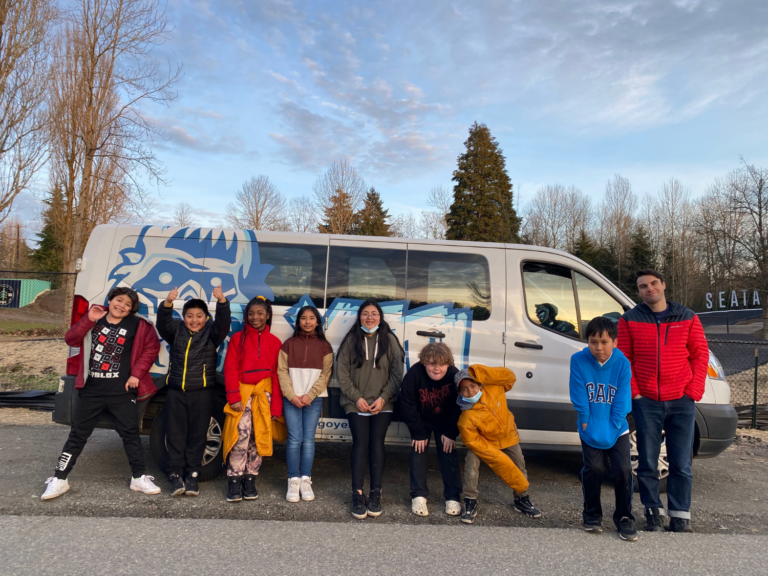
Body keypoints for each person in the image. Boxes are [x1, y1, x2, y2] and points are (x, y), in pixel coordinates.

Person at [41, 287, 161, 500]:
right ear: (110, 300)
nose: (122, 306)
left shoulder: (139, 325)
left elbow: (151, 348)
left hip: (122, 391)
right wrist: (88, 319)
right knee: (78, 435)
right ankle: (59, 479)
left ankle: (138, 477)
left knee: (130, 434)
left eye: (128, 304)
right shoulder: (95, 318)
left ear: (131, 310)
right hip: (92, 390)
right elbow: (71, 339)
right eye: (119, 300)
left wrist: (136, 374)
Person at [618, 269, 709, 533]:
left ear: (663, 285)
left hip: (682, 400)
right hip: (646, 401)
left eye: (654, 283)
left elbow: (700, 355)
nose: (650, 289)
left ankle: (680, 516)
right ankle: (653, 514)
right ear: (639, 291)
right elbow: (625, 361)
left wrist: (693, 391)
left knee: (681, 463)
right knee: (647, 461)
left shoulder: (688, 317)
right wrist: (636, 393)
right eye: (643, 286)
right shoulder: (629, 320)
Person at [156, 285, 231, 497]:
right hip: (176, 392)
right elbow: (163, 324)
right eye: (190, 316)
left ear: (206, 318)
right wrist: (167, 303)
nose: (194, 320)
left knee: (198, 436)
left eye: (199, 316)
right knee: (175, 435)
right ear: (184, 317)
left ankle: (192, 477)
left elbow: (223, 324)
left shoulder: (211, 334)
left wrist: (222, 302)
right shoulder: (176, 331)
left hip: (202, 393)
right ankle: (175, 476)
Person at [570, 317, 636, 541]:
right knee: (594, 469)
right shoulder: (578, 360)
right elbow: (578, 391)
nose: (598, 347)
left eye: (604, 342)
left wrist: (616, 422)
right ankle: (592, 514)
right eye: (593, 342)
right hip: (590, 425)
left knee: (623, 471)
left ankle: (624, 517)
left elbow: (622, 396)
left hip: (616, 427)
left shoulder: (622, 363)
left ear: (615, 342)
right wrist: (585, 418)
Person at [337, 300, 404, 520]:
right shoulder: (351, 340)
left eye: (374, 314)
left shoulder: (390, 340)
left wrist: (384, 399)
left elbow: (396, 374)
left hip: (382, 404)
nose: (370, 318)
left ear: (380, 317)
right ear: (360, 317)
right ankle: (357, 494)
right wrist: (356, 398)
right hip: (355, 403)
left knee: (376, 444)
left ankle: (376, 493)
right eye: (365, 314)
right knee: (360, 443)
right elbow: (343, 374)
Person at [457, 365, 541, 524]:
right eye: (464, 389)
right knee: (471, 463)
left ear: (480, 383)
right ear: (460, 393)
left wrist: (482, 373)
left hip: (508, 435)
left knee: (518, 464)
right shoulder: (466, 417)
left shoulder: (495, 387)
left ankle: (521, 499)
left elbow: (510, 377)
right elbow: (472, 441)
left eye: (473, 386)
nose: (470, 391)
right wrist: (498, 460)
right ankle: (470, 500)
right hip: (484, 442)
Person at [222, 296, 283, 503]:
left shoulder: (275, 342)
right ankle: (234, 480)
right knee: (240, 437)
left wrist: (276, 407)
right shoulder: (238, 339)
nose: (255, 317)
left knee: (258, 439)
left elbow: (277, 376)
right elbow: (230, 368)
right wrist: (233, 397)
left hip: (264, 397)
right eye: (251, 313)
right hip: (243, 396)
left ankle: (250, 479)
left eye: (260, 313)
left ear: (267, 316)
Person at [277, 305, 333, 503]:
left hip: (314, 399)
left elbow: (326, 374)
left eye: (312, 318)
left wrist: (310, 395)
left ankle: (306, 479)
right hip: (291, 398)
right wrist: (291, 395)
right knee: (294, 439)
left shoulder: (325, 346)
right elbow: (281, 372)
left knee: (308, 439)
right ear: (298, 321)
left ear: (317, 322)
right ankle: (293, 479)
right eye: (304, 318)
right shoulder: (288, 344)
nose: (307, 322)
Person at [400, 342, 462, 517]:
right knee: (418, 452)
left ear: (448, 363)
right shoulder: (414, 373)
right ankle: (418, 495)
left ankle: (453, 496)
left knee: (448, 453)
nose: (437, 369)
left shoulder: (454, 375)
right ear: (424, 362)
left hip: (445, 421)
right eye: (432, 364)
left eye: (441, 364)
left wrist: (451, 432)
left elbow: (459, 406)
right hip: (421, 420)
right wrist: (418, 431)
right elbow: (407, 403)